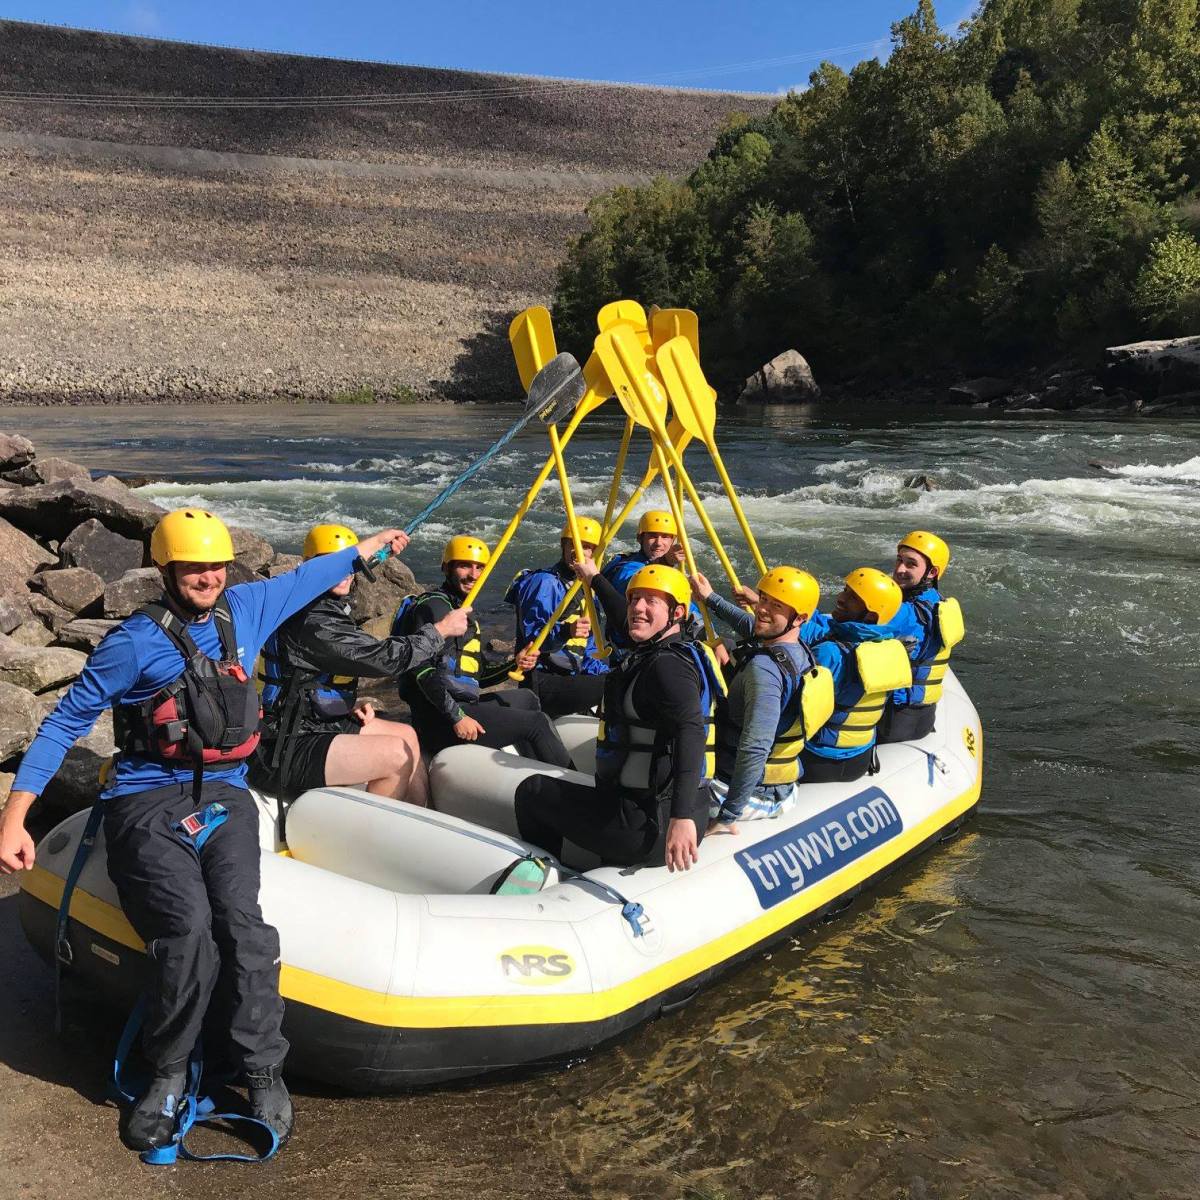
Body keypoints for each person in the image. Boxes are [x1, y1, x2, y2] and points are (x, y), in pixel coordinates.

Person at [0, 508, 411, 1154]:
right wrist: (15, 816)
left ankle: (262, 1071)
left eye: (216, 565)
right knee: (188, 932)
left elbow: (308, 577)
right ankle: (166, 1071)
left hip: (225, 795)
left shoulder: (245, 608)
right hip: (146, 798)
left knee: (243, 926)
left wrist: (364, 551)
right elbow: (62, 723)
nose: (208, 577)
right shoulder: (133, 643)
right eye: (194, 567)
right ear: (167, 570)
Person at [514, 561, 724, 872]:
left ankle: (548, 873)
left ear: (677, 613)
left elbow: (690, 732)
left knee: (532, 791)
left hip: (650, 828)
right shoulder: (680, 649)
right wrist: (594, 577)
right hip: (668, 813)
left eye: (650, 601)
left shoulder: (667, 667)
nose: (637, 608)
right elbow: (624, 621)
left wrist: (680, 818)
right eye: (633, 599)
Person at [252, 523, 471, 808]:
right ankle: (374, 838)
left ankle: (420, 822)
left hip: (316, 723)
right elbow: (385, 659)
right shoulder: (313, 621)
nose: (342, 571)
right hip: (283, 746)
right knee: (395, 754)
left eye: (347, 563)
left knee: (406, 734)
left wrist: (346, 703)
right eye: (331, 562)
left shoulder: (324, 606)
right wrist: (439, 631)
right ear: (311, 568)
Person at [392, 535, 572, 767]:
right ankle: (571, 785)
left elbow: (478, 677)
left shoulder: (462, 609)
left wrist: (513, 663)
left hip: (459, 706)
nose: (473, 575)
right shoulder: (435, 607)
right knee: (536, 723)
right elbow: (421, 668)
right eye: (464, 565)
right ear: (447, 568)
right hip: (438, 718)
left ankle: (535, 767)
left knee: (526, 698)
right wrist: (457, 716)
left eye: (479, 568)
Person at [691, 567, 833, 834]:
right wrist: (710, 598)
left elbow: (754, 748)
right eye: (763, 599)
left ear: (799, 617)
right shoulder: (798, 648)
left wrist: (728, 815)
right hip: (780, 785)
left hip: (754, 795)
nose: (763, 609)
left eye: (776, 605)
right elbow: (748, 625)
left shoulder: (764, 672)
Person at [801, 568, 911, 783]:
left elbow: (795, 708)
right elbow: (826, 632)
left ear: (870, 615)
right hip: (860, 759)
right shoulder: (891, 647)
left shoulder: (829, 653)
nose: (841, 598)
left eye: (852, 597)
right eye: (845, 590)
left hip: (817, 759)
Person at [504, 517, 609, 719]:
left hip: (572, 677)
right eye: (573, 544)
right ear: (563, 545)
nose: (579, 552)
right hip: (542, 678)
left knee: (619, 681)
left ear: (594, 553)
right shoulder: (545, 582)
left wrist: (602, 673)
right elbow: (534, 638)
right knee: (613, 687)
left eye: (586, 547)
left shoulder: (589, 591)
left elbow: (590, 649)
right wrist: (565, 631)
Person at [880, 530, 963, 743]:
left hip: (893, 720)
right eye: (899, 560)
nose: (899, 569)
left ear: (932, 572)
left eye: (911, 564)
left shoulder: (904, 614)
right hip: (924, 717)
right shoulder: (938, 603)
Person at [598, 509, 685, 649]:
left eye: (665, 537)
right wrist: (665, 561)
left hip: (658, 645)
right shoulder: (626, 565)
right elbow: (634, 581)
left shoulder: (669, 571)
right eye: (653, 536)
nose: (659, 543)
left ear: (673, 541)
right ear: (640, 538)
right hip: (626, 650)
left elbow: (686, 604)